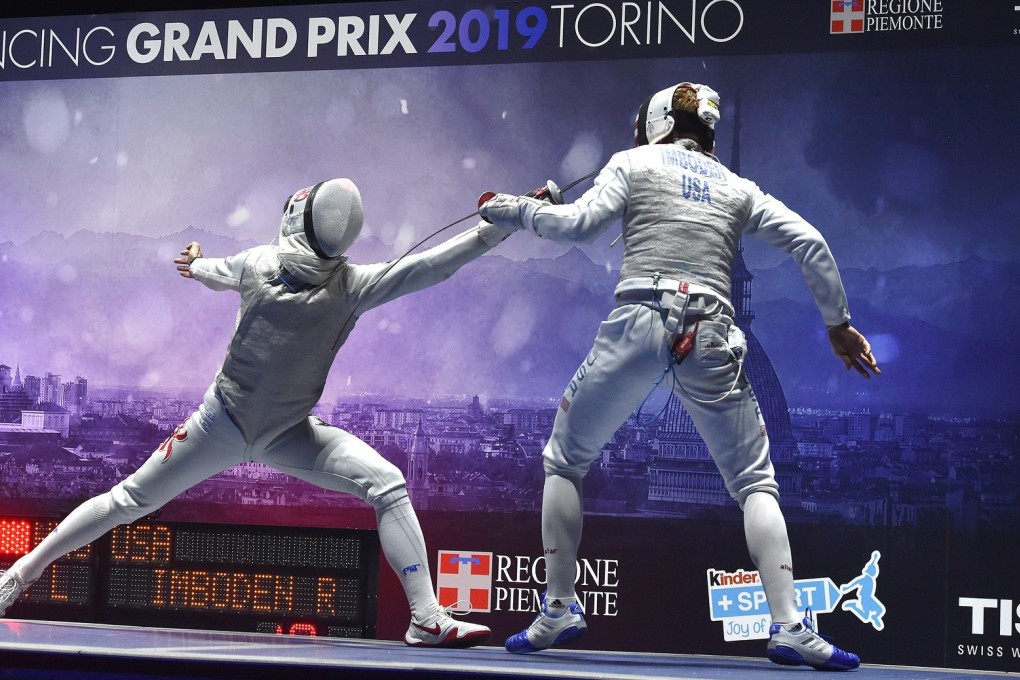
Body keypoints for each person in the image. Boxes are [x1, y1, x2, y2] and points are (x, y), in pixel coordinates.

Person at [0, 177, 519, 648]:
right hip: (217, 423)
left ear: (297, 220)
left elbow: (209, 271)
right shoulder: (340, 284)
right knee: (128, 499)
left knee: (386, 483)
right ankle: (18, 575)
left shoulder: (273, 268)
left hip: (287, 432)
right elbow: (433, 266)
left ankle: (425, 617)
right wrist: (500, 227)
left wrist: (197, 262)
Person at [479, 82, 880, 670]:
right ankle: (789, 625)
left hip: (638, 321)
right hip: (713, 330)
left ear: (656, 123)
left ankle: (560, 606)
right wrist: (838, 325)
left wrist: (514, 208)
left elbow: (579, 226)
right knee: (755, 483)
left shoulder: (633, 161)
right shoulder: (738, 188)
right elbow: (810, 242)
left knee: (564, 460)